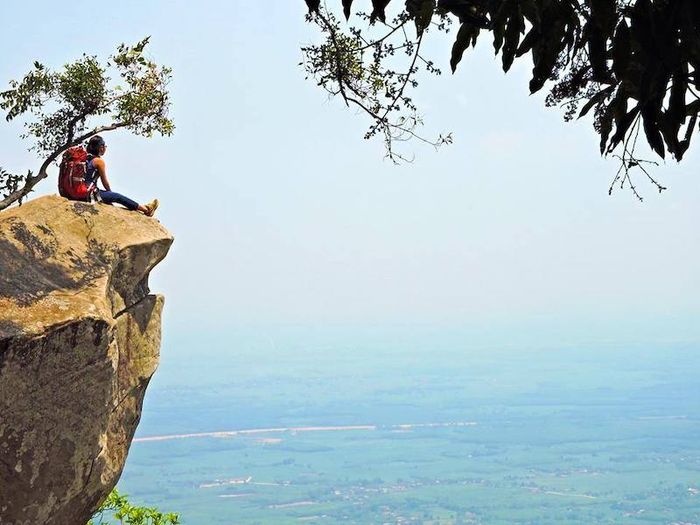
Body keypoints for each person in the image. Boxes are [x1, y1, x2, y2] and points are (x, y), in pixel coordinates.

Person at [85, 135, 159, 217]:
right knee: (117, 197)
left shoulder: (83, 158)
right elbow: (105, 183)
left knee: (108, 200)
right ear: (101, 147)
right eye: (105, 146)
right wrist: (111, 194)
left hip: (76, 192)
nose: (105, 148)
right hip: (88, 194)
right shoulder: (99, 161)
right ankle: (146, 209)